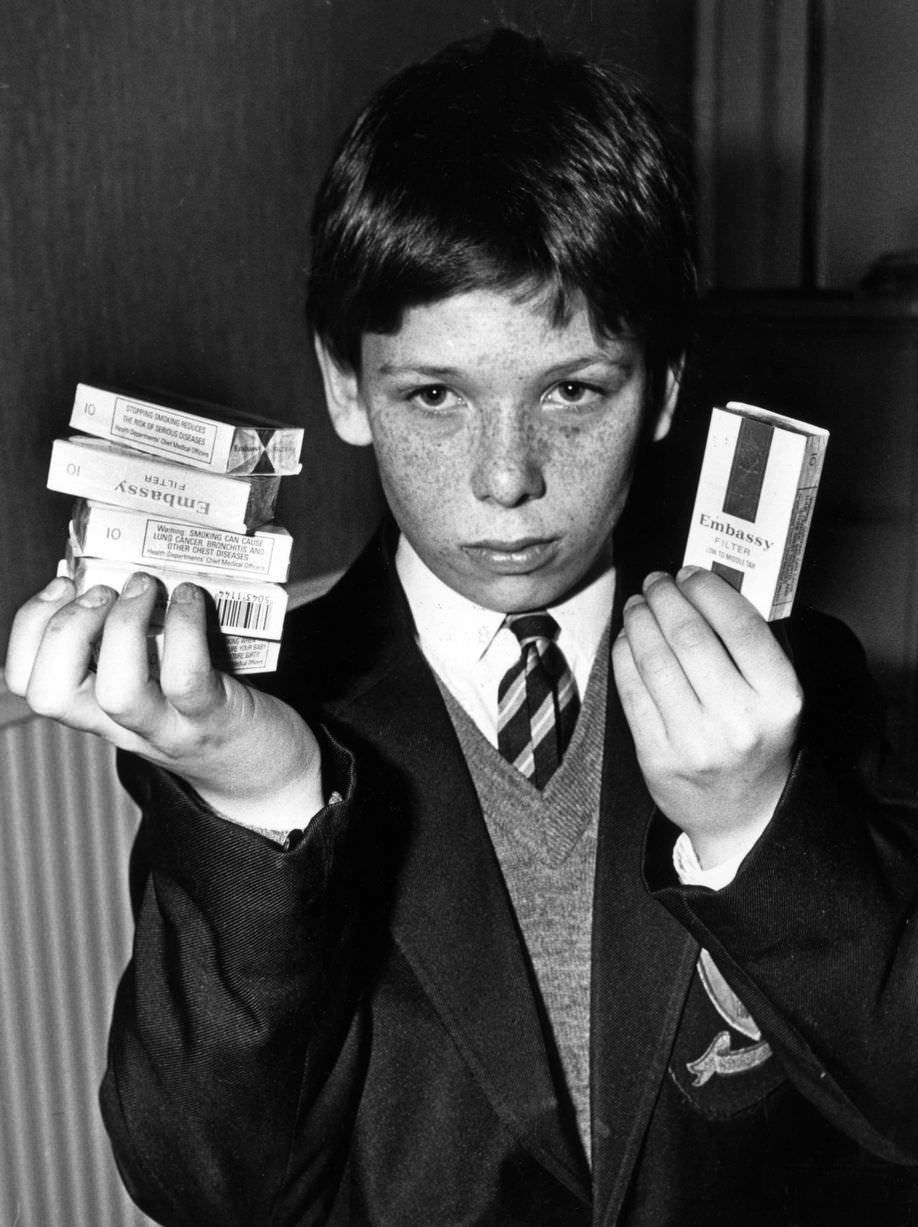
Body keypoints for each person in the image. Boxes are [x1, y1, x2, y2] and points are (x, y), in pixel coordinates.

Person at [6, 27, 918, 1227]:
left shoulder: (804, 682)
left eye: (574, 391)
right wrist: (257, 800)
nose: (507, 482)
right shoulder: (259, 724)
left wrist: (757, 828)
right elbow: (214, 1191)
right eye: (434, 396)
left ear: (665, 391)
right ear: (345, 385)